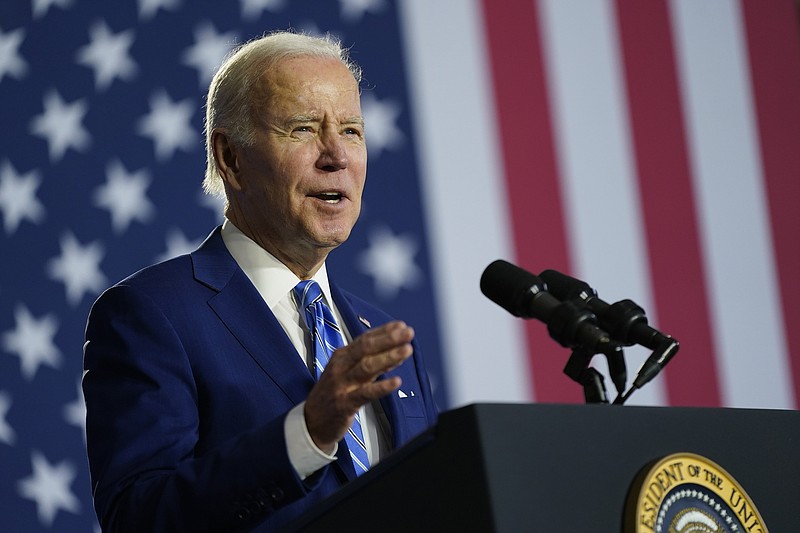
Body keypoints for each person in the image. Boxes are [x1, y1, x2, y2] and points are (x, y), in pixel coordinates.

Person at [82, 30, 438, 532]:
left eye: (352, 131)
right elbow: (140, 518)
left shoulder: (379, 334)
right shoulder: (153, 315)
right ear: (231, 158)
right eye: (303, 129)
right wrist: (305, 435)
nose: (336, 155)